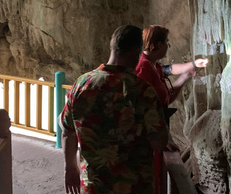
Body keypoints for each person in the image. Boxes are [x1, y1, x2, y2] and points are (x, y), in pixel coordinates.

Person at [60, 25, 168, 194]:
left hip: (94, 187)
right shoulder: (142, 91)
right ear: (136, 51)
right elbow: (159, 142)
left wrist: (70, 169)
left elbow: (67, 131)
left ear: (112, 47)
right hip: (134, 187)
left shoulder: (81, 85)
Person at [135, 25, 208, 194]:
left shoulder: (154, 65)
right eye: (167, 42)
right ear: (158, 45)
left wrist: (189, 70)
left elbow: (170, 73)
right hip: (148, 136)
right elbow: (145, 107)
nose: (169, 45)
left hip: (159, 131)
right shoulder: (143, 69)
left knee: (158, 175)